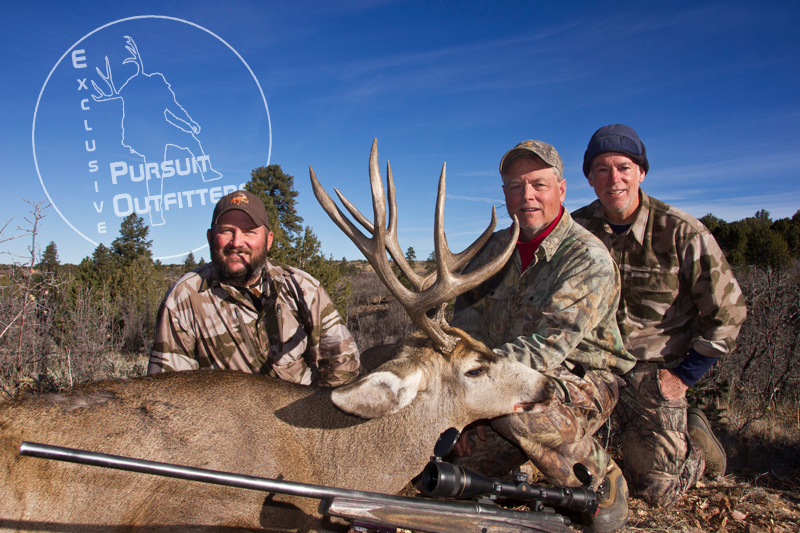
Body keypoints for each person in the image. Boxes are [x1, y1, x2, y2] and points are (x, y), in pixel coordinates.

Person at [450, 140, 636, 532]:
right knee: (447, 476)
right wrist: (457, 412)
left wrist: (472, 400)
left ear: (562, 189)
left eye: (538, 184)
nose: (526, 196)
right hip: (491, 383)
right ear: (504, 195)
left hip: (580, 380)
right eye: (515, 186)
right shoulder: (490, 252)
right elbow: (465, 332)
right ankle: (529, 464)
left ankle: (603, 480)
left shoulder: (587, 256)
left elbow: (547, 347)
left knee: (517, 405)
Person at [572, 124, 747, 507]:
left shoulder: (682, 232)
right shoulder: (575, 231)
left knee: (657, 492)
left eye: (623, 167)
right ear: (589, 178)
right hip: (589, 368)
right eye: (601, 169)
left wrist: (682, 378)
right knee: (547, 460)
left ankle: (696, 445)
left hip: (654, 372)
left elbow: (728, 313)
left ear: (641, 172)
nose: (613, 178)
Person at [148, 189, 361, 387]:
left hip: (302, 414)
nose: (237, 242)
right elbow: (169, 390)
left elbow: (343, 361)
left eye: (249, 232)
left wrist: (320, 415)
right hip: (227, 422)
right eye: (226, 231)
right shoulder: (184, 297)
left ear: (268, 241)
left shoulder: (302, 287)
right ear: (210, 238)